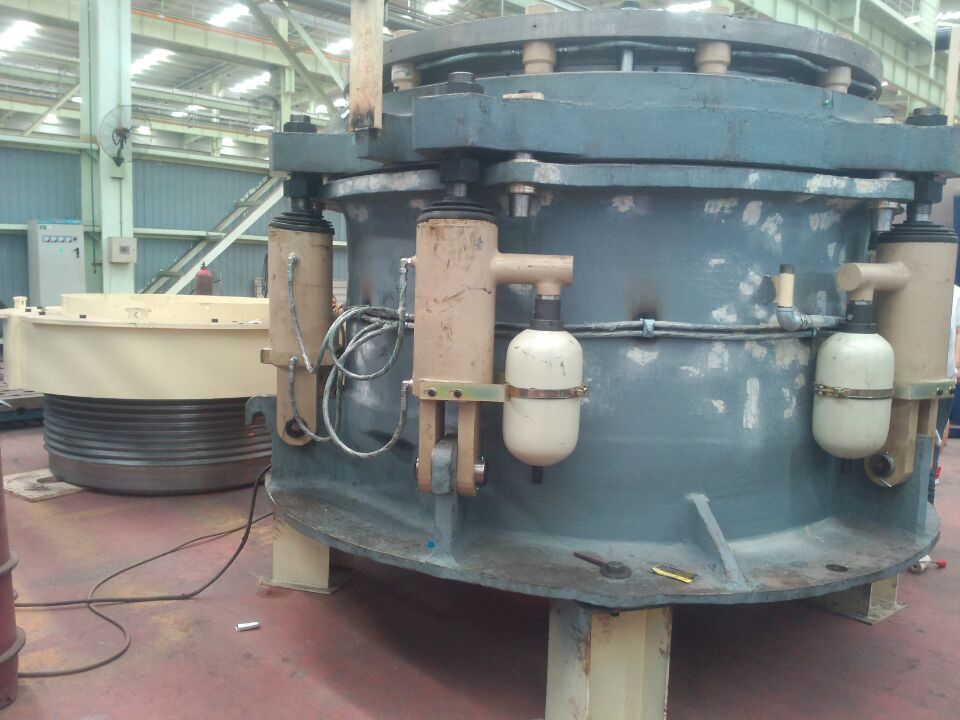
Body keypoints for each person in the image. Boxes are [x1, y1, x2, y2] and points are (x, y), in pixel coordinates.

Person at [930, 283, 960, 503]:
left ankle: (933, 471)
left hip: (944, 375)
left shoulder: (956, 294)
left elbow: (958, 331)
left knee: (936, 434)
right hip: (917, 374)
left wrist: (957, 364)